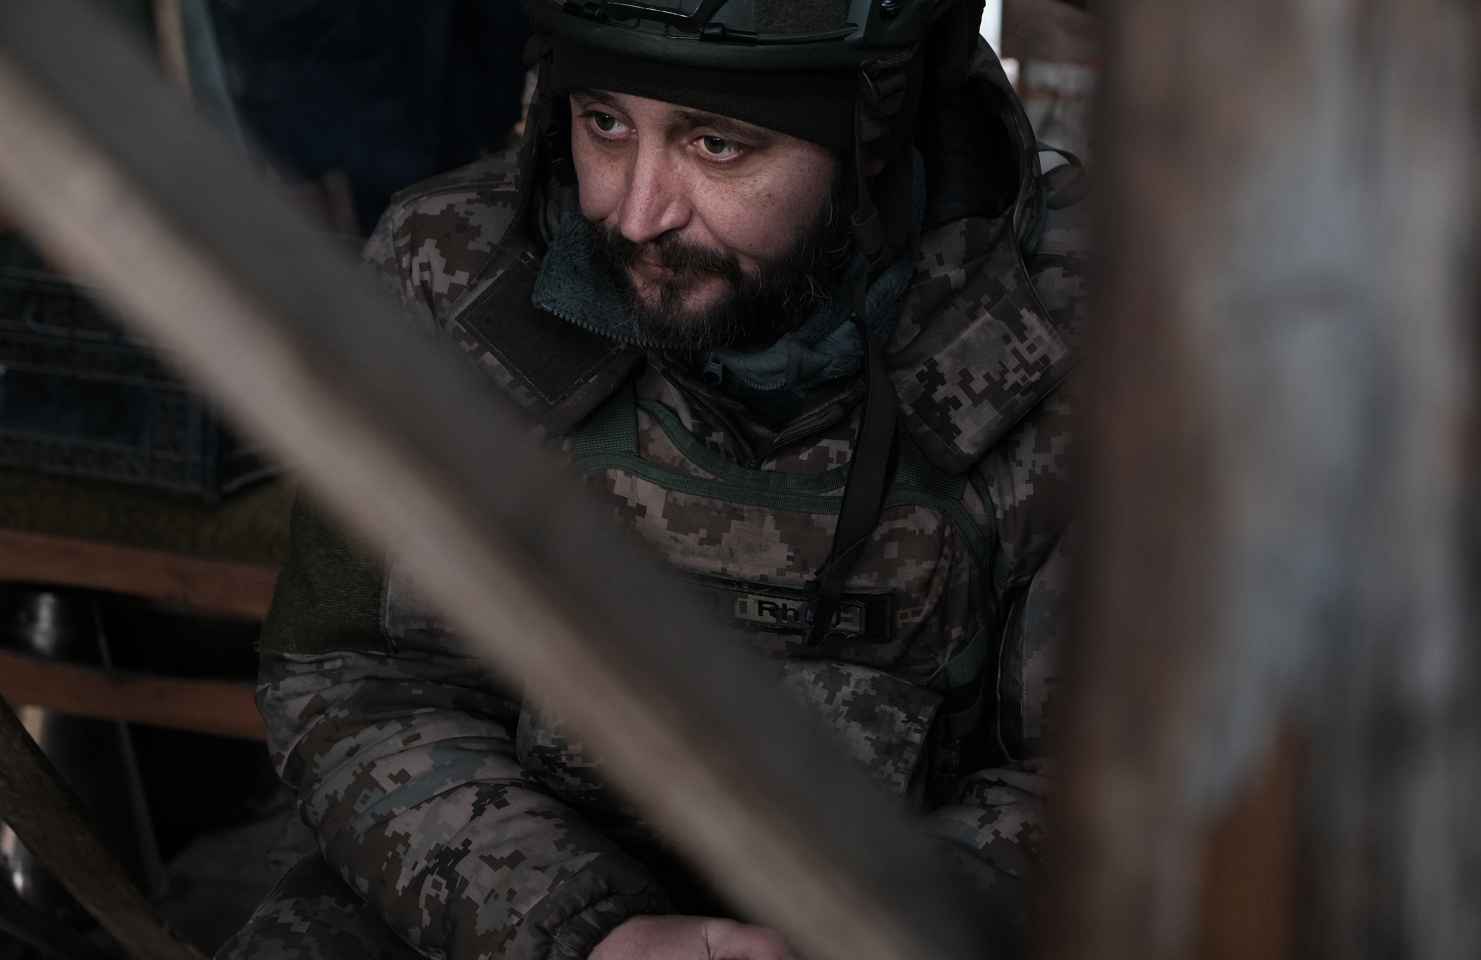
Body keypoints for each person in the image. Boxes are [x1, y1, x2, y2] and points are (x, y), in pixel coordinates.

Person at [218, 1, 1086, 957]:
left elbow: (1099, 782)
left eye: (718, 145)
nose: (636, 214)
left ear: (874, 137)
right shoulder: (449, 275)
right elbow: (352, 675)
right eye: (604, 123)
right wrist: (585, 931)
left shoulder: (1082, 341)